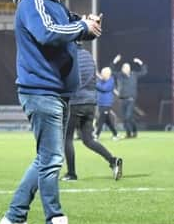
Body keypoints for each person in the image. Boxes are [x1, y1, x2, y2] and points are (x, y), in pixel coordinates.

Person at [0, 0, 101, 224]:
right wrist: (81, 26)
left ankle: (14, 218)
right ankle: (56, 223)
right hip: (41, 90)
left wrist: (88, 27)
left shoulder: (55, 3)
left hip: (58, 91)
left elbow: (73, 29)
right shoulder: (32, 1)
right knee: (53, 158)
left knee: (46, 158)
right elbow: (47, 33)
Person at [61, 44, 123, 181]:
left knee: (67, 138)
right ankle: (113, 160)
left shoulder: (68, 56)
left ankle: (71, 173)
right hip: (90, 102)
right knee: (88, 140)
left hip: (75, 101)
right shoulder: (89, 56)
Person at [111, 54, 148, 138]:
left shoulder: (134, 74)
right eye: (125, 67)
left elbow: (144, 72)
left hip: (131, 99)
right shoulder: (120, 75)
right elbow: (111, 71)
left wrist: (140, 62)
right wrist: (115, 61)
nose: (127, 69)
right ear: (122, 69)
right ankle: (129, 133)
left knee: (128, 117)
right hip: (122, 99)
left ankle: (133, 131)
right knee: (126, 118)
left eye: (128, 67)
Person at [95, 66, 119, 139]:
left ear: (108, 74)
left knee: (101, 119)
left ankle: (96, 135)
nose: (102, 74)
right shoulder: (101, 81)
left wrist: (95, 84)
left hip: (106, 104)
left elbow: (104, 88)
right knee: (107, 121)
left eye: (103, 73)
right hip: (100, 103)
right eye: (101, 73)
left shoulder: (111, 81)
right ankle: (115, 134)